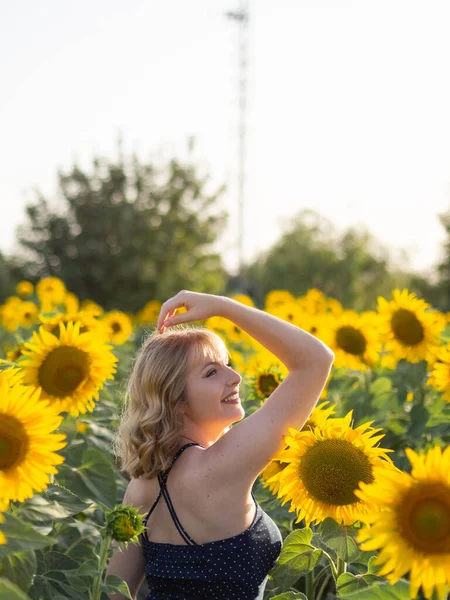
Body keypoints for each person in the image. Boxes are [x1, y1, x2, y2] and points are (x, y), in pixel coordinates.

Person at [106, 290, 334, 600]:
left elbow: (113, 593)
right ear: (176, 401)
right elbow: (315, 360)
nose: (236, 377)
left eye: (227, 364)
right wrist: (223, 307)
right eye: (212, 372)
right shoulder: (218, 467)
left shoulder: (142, 485)